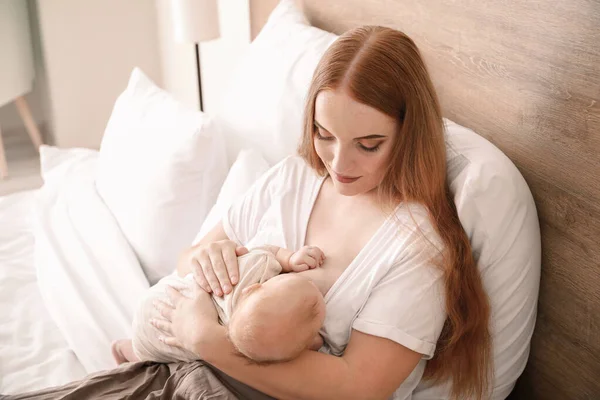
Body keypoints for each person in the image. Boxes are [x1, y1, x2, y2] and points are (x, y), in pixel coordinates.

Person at [151, 25, 492, 400]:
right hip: (173, 370)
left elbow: (358, 387)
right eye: (324, 134)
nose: (338, 163)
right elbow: (187, 260)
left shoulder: (417, 249)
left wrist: (206, 339)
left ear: (409, 135)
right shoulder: (293, 176)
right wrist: (208, 259)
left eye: (368, 145)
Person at [111, 245, 326, 365]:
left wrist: (287, 259)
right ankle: (130, 350)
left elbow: (268, 250)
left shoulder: (255, 328)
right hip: (166, 301)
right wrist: (288, 258)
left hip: (158, 312)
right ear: (251, 288)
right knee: (172, 350)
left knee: (159, 350)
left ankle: (127, 349)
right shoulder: (252, 270)